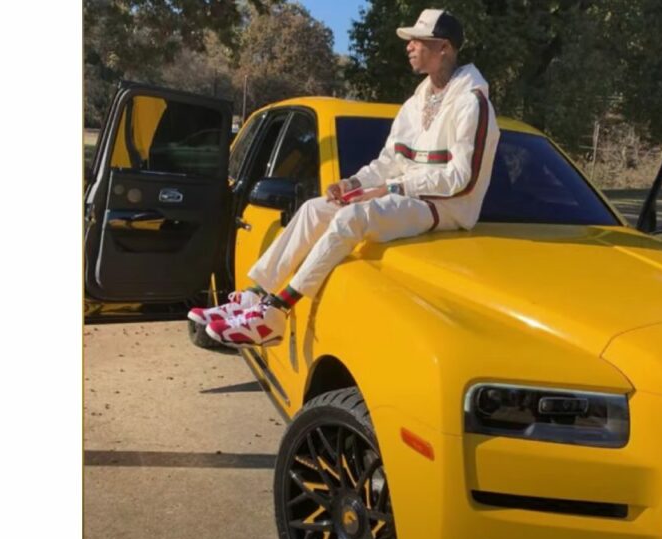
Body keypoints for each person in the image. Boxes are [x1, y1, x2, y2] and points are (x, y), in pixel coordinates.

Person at [189, 8, 500, 348]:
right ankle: (254, 296)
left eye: (418, 40)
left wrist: (391, 188)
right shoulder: (416, 101)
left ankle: (275, 314)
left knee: (353, 217)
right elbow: (390, 161)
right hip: (408, 196)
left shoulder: (472, 102)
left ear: (444, 48)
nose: (409, 46)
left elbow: (462, 179)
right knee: (314, 208)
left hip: (448, 208)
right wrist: (353, 184)